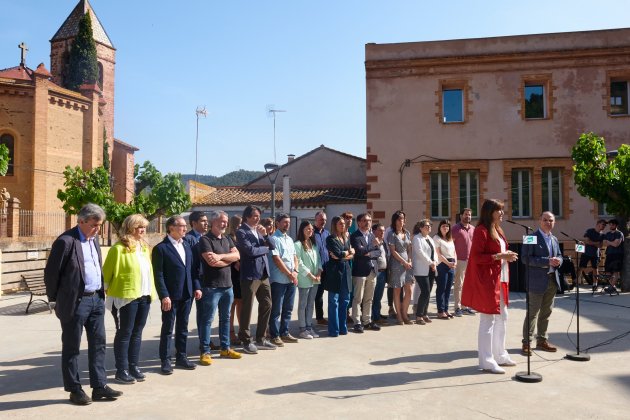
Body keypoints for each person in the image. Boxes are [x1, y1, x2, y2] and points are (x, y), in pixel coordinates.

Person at [44, 203, 122, 405]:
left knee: (99, 344)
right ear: (81, 221)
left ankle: (99, 386)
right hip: (75, 302)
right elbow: (52, 274)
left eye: (100, 225)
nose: (98, 229)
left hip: (96, 299)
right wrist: (55, 300)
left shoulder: (93, 240)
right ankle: (74, 389)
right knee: (72, 347)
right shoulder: (66, 241)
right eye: (94, 225)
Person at [462, 199, 518, 374]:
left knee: (503, 316)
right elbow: (477, 258)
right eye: (498, 210)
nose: (502, 213)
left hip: (500, 278)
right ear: (489, 212)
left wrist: (505, 255)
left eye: (502, 210)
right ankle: (486, 360)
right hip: (488, 280)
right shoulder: (481, 231)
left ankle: (500, 354)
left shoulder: (498, 230)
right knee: (488, 320)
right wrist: (500, 256)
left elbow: (498, 253)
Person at [103, 214, 158, 384]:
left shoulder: (143, 248)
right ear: (130, 228)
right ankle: (122, 370)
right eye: (139, 227)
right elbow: (105, 275)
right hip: (125, 297)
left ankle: (133, 366)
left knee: (137, 333)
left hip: (144, 295)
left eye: (144, 227)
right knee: (125, 333)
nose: (143, 230)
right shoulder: (118, 249)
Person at [152, 215, 201, 374]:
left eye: (185, 225)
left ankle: (181, 356)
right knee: (167, 328)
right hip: (170, 296)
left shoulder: (186, 246)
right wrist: (164, 295)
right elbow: (158, 275)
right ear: (171, 228)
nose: (185, 228)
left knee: (183, 327)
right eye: (181, 226)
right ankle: (165, 360)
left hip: (187, 293)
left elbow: (192, 270)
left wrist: (196, 287)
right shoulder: (161, 248)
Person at [197, 210, 242, 364]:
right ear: (213, 222)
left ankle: (225, 348)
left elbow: (237, 256)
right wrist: (228, 259)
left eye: (226, 221)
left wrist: (221, 257)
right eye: (222, 221)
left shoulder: (227, 239)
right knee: (207, 320)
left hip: (228, 286)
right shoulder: (205, 240)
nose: (225, 224)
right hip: (212, 287)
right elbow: (211, 262)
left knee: (225, 319)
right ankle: (205, 351)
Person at [236, 205, 277, 354]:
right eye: (254, 216)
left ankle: (261, 338)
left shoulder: (259, 231)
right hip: (250, 274)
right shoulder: (241, 231)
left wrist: (266, 235)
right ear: (247, 216)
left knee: (267, 304)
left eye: (258, 216)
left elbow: (273, 245)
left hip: (264, 274)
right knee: (247, 307)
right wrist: (265, 248)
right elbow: (250, 251)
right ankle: (246, 340)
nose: (257, 218)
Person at [521, 211, 563, 355]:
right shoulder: (530, 238)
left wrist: (559, 261)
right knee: (532, 313)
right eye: (545, 220)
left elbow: (559, 255)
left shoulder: (555, 239)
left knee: (546, 313)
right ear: (540, 221)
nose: (548, 222)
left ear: (554, 222)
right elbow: (525, 259)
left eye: (551, 220)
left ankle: (542, 340)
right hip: (536, 282)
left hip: (552, 280)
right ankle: (526, 343)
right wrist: (547, 261)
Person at [268, 213, 300, 345]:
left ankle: (284, 332)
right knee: (276, 309)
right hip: (279, 280)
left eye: (288, 222)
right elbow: (276, 259)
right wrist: (289, 273)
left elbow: (295, 257)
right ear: (278, 223)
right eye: (284, 222)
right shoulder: (273, 239)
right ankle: (274, 335)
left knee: (288, 308)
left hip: (291, 279)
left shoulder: (290, 239)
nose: (287, 224)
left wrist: (296, 271)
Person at [350, 213, 382, 332]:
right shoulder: (355, 236)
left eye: (369, 220)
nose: (367, 223)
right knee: (358, 298)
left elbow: (378, 252)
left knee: (369, 298)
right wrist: (371, 248)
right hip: (360, 271)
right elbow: (359, 251)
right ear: (358, 222)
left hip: (372, 270)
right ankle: (357, 322)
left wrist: (369, 252)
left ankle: (367, 321)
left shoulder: (372, 235)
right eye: (364, 220)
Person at [323, 216, 354, 337]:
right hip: (334, 273)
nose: (343, 225)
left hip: (346, 271)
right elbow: (337, 253)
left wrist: (344, 255)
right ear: (334, 225)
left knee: (345, 301)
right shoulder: (330, 239)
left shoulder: (346, 238)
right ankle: (334, 330)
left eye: (343, 223)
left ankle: (343, 328)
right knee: (334, 302)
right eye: (340, 223)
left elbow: (348, 254)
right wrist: (347, 253)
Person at [295, 220, 323, 339]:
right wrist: (310, 275)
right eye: (307, 229)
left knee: (311, 303)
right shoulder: (297, 244)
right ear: (302, 230)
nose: (310, 231)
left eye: (311, 229)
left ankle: (309, 326)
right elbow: (299, 262)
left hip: (315, 279)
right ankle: (302, 329)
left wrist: (319, 272)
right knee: (303, 304)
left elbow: (319, 260)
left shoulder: (313, 244)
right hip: (305, 279)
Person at [387, 210, 414, 325]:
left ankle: (404, 312)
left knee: (409, 290)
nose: (401, 220)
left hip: (407, 264)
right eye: (399, 218)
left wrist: (410, 260)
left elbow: (409, 249)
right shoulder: (391, 234)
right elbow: (393, 252)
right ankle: (399, 315)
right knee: (397, 290)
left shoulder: (407, 233)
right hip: (397, 264)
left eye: (403, 218)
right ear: (395, 221)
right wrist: (404, 262)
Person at [412, 220, 438, 325]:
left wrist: (435, 262)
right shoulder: (417, 238)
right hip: (421, 269)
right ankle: (419, 315)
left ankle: (424, 314)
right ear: (421, 227)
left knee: (428, 292)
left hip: (431, 268)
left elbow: (434, 252)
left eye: (430, 226)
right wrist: (430, 263)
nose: (429, 227)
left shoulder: (430, 239)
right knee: (425, 291)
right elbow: (420, 253)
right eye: (427, 226)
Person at [451, 208, 476, 317]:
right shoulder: (455, 229)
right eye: (466, 214)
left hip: (471, 261)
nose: (468, 217)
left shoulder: (473, 229)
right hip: (460, 260)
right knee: (458, 285)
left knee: (468, 285)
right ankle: (457, 307)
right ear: (461, 216)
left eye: (469, 215)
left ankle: (465, 307)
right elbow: (450, 244)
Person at [433, 219, 457, 320]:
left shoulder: (450, 238)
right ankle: (440, 311)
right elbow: (438, 254)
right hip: (442, 265)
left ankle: (446, 310)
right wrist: (448, 263)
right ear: (439, 227)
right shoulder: (436, 238)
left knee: (448, 289)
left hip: (451, 265)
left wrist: (455, 262)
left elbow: (454, 251)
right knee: (441, 288)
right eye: (443, 226)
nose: (445, 228)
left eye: (447, 226)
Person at [228, 215, 243, 343]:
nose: (240, 226)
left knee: (241, 303)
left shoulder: (241, 237)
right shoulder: (229, 238)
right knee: (232, 305)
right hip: (232, 274)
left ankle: (241, 330)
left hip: (241, 275)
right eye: (238, 224)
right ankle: (231, 333)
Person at [578, 219, 606, 289]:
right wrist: (596, 243)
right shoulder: (590, 231)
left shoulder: (602, 235)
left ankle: (595, 284)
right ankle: (576, 282)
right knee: (581, 267)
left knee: (595, 269)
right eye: (603, 224)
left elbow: (600, 246)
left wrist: (592, 242)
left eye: (605, 225)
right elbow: (587, 241)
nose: (604, 226)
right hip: (586, 252)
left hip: (595, 254)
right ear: (598, 224)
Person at [313, 211, 330, 326]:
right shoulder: (311, 233)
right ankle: (319, 318)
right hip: (316, 269)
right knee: (318, 294)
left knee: (324, 293)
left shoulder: (327, 233)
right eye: (320, 219)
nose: (322, 222)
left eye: (324, 219)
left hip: (327, 268)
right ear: (315, 220)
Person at [371, 223, 389, 325]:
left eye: (383, 231)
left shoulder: (383, 242)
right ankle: (375, 317)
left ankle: (377, 313)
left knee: (379, 295)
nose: (382, 232)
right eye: (380, 230)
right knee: (375, 296)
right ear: (374, 231)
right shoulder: (372, 242)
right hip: (376, 272)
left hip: (383, 272)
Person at [604, 219, 624, 292]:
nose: (611, 226)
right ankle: (612, 286)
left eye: (612, 224)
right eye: (610, 224)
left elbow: (616, 244)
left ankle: (611, 287)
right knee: (607, 271)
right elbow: (604, 243)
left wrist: (609, 242)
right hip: (609, 254)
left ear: (616, 225)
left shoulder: (619, 233)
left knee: (615, 271)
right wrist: (611, 242)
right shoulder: (608, 234)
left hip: (617, 254)